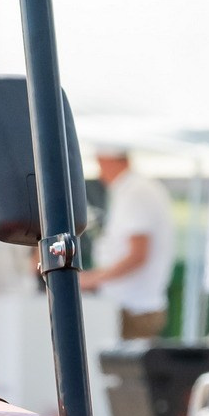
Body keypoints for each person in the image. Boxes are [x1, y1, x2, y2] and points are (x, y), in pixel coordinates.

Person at [84, 146, 176, 341]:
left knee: (123, 369)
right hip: (135, 306)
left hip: (133, 308)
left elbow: (137, 254)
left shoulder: (136, 191)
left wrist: (92, 279)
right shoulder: (134, 189)